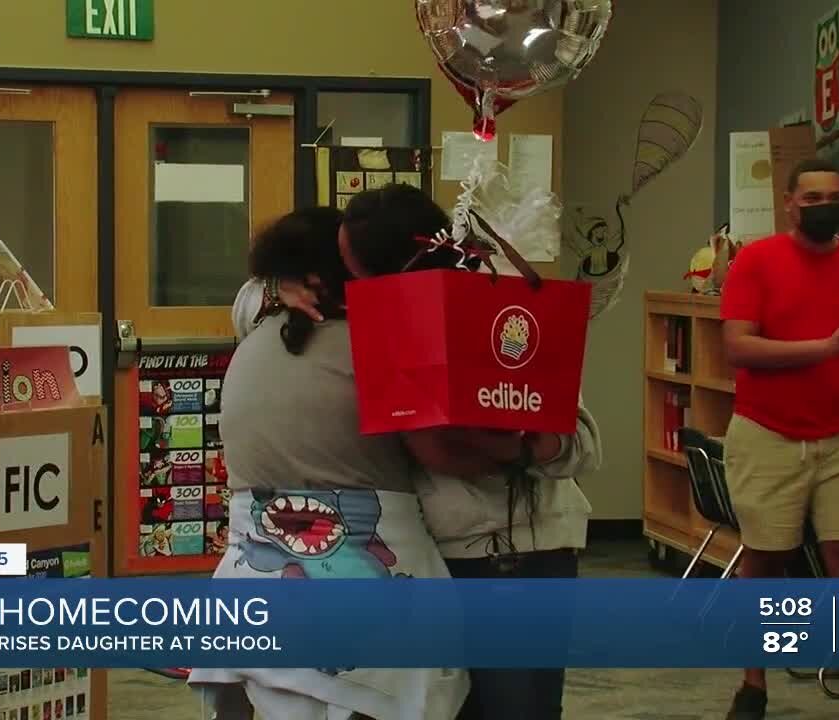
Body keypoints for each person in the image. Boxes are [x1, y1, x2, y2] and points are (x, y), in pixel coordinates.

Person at [234, 187, 602, 720]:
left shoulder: (501, 307)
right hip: (431, 558)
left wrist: (510, 445)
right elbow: (248, 302)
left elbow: (580, 443)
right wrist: (280, 283)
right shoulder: (374, 330)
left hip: (516, 556)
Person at [720, 158, 839, 720]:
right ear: (790, 202)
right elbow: (738, 348)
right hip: (767, 431)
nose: (826, 206)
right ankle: (755, 685)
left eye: (835, 197)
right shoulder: (757, 261)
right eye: (814, 197)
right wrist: (825, 348)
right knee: (766, 561)